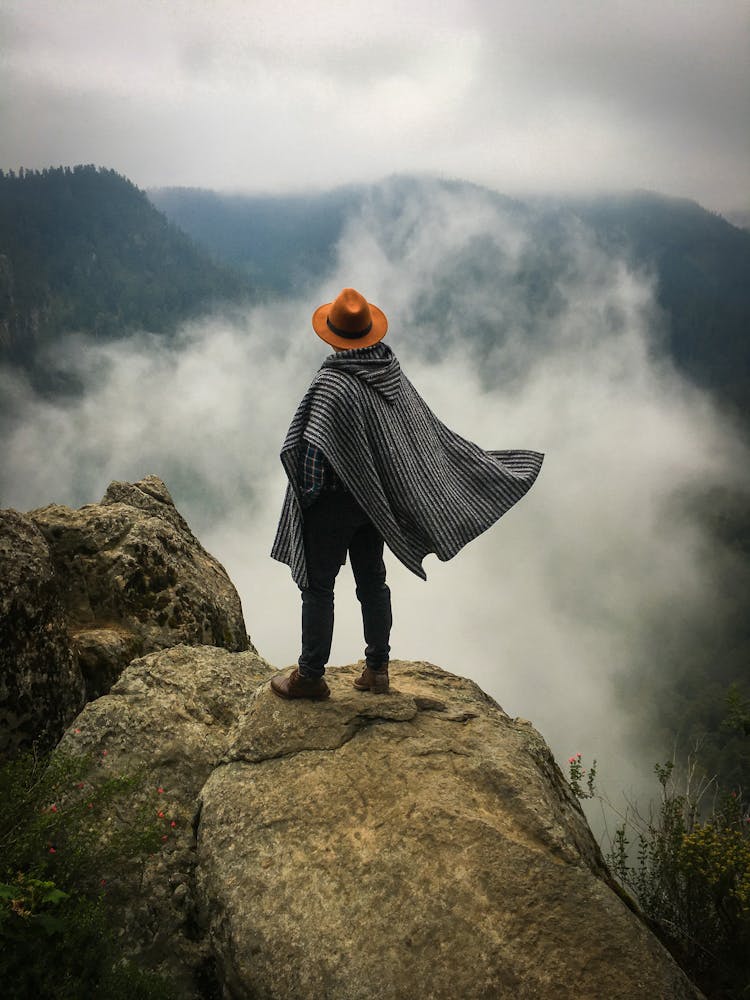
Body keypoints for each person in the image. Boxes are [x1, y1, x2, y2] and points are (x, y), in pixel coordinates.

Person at [270, 287, 543, 700]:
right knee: (373, 581)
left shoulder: (331, 386)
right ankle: (377, 670)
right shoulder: (388, 371)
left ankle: (310, 677)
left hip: (334, 504)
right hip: (375, 502)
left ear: (332, 335)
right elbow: (413, 434)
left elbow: (308, 457)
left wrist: (310, 499)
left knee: (318, 586)